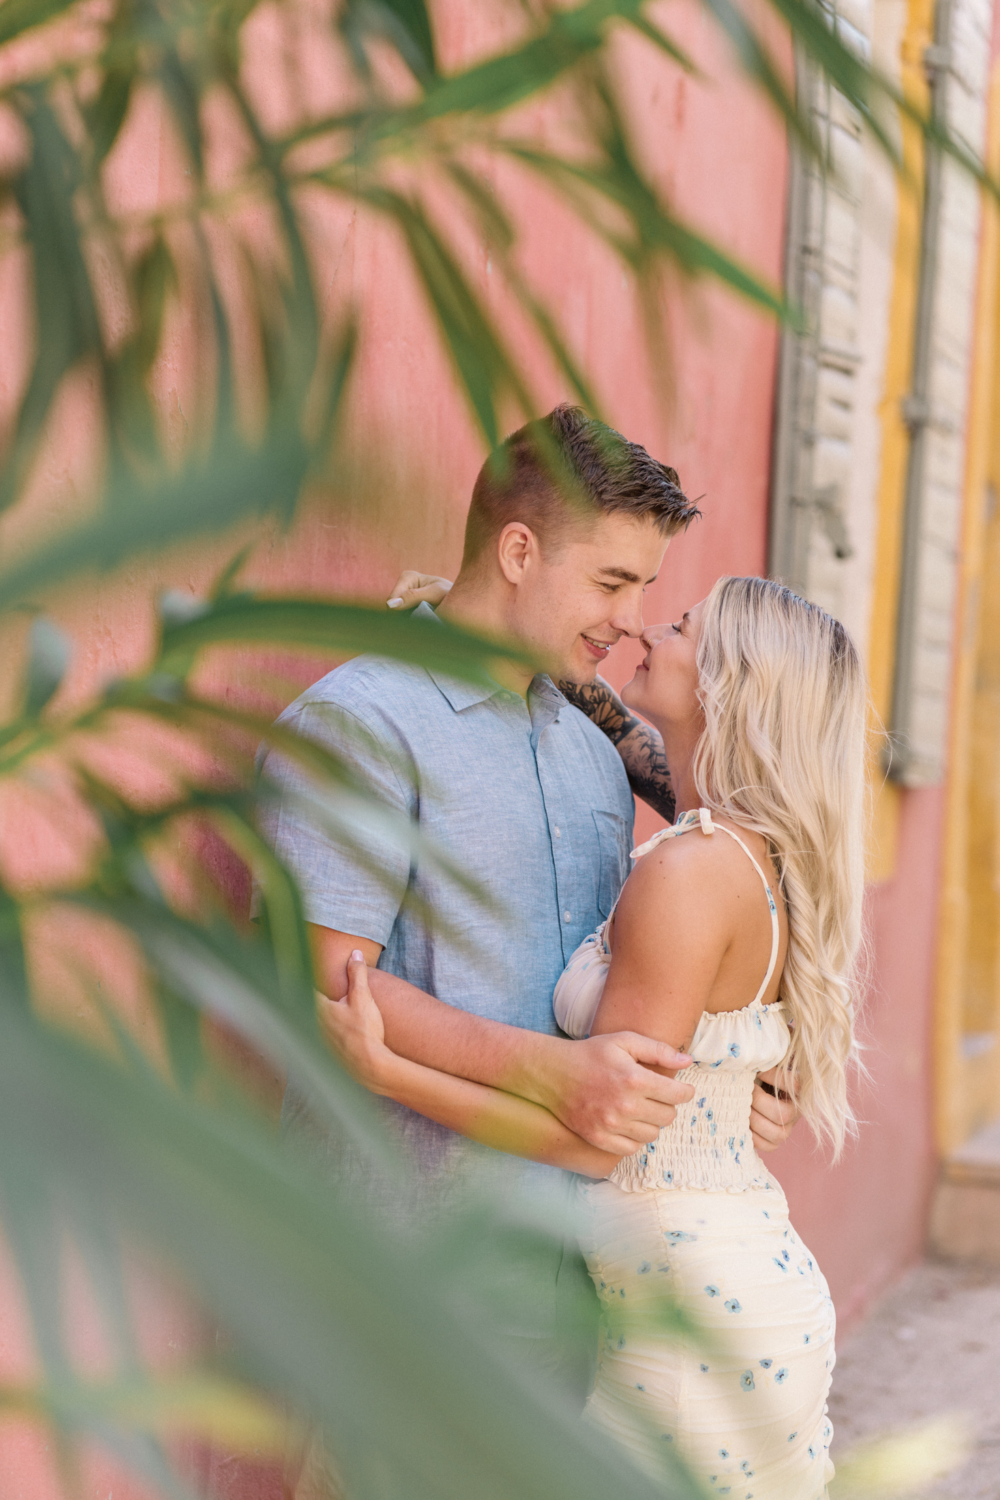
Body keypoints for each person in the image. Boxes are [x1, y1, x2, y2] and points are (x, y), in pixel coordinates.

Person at [258, 406, 799, 1425]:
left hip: (582, 1278)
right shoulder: (358, 725)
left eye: (645, 587)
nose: (635, 617)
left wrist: (741, 1076)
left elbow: (733, 881)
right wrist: (551, 1072)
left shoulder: (594, 747)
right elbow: (327, 993)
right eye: (611, 581)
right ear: (516, 550)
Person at [325, 575, 867, 1500]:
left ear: (729, 685)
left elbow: (594, 1133)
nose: (648, 624)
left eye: (682, 624)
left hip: (693, 1310)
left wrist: (387, 1066)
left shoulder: (694, 871)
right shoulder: (743, 849)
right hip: (727, 1285)